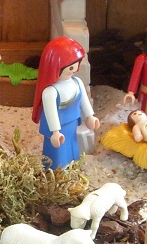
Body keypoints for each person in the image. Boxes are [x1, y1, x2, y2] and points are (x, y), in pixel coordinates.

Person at [31, 37, 99, 170]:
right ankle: (55, 171)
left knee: (72, 145)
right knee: (57, 153)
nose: (75, 69)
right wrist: (55, 131)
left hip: (72, 122)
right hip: (57, 127)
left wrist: (90, 116)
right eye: (71, 66)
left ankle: (71, 165)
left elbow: (84, 100)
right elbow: (51, 113)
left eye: (77, 64)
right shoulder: (50, 91)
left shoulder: (77, 82)